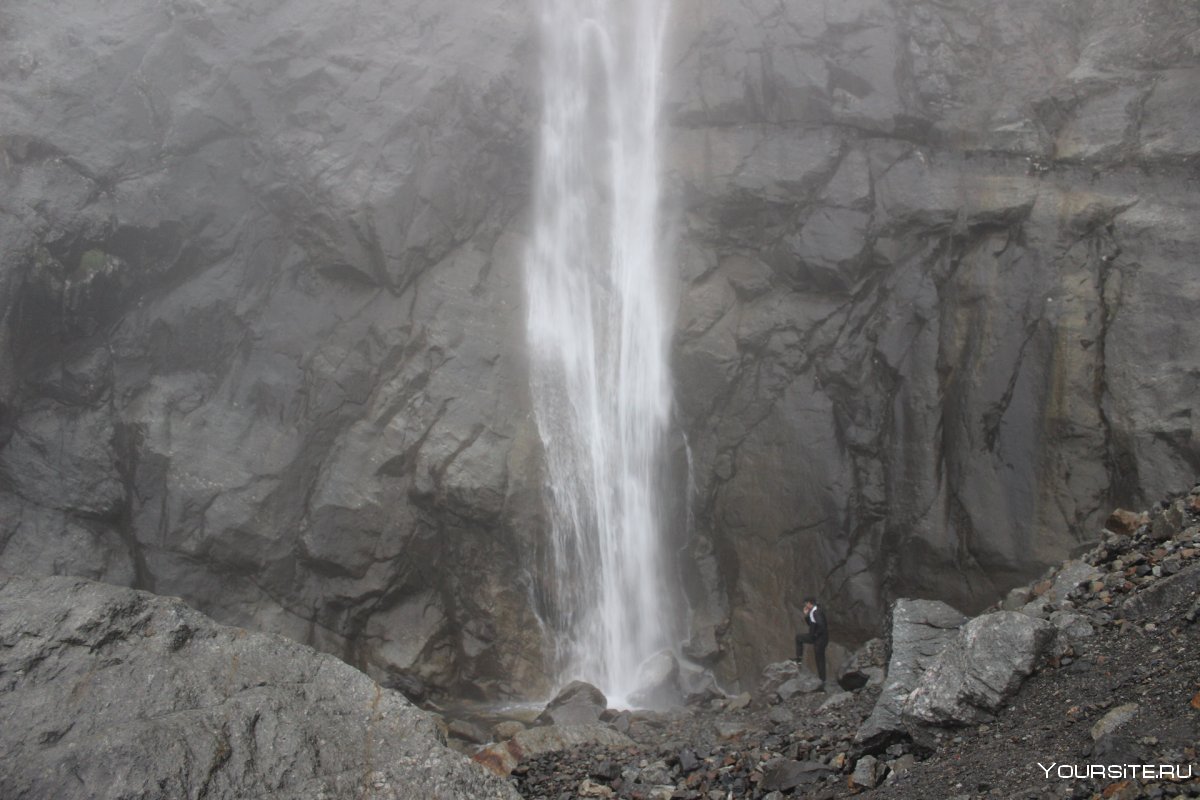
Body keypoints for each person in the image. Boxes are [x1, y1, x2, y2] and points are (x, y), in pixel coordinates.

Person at [794, 596, 829, 687]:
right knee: (799, 638)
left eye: (806, 603)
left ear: (810, 603)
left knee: (820, 659)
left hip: (820, 639)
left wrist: (815, 635)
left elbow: (822, 626)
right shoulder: (814, 611)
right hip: (816, 637)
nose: (805, 605)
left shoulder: (816, 612)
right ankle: (799, 660)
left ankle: (822, 681)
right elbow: (811, 624)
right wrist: (806, 615)